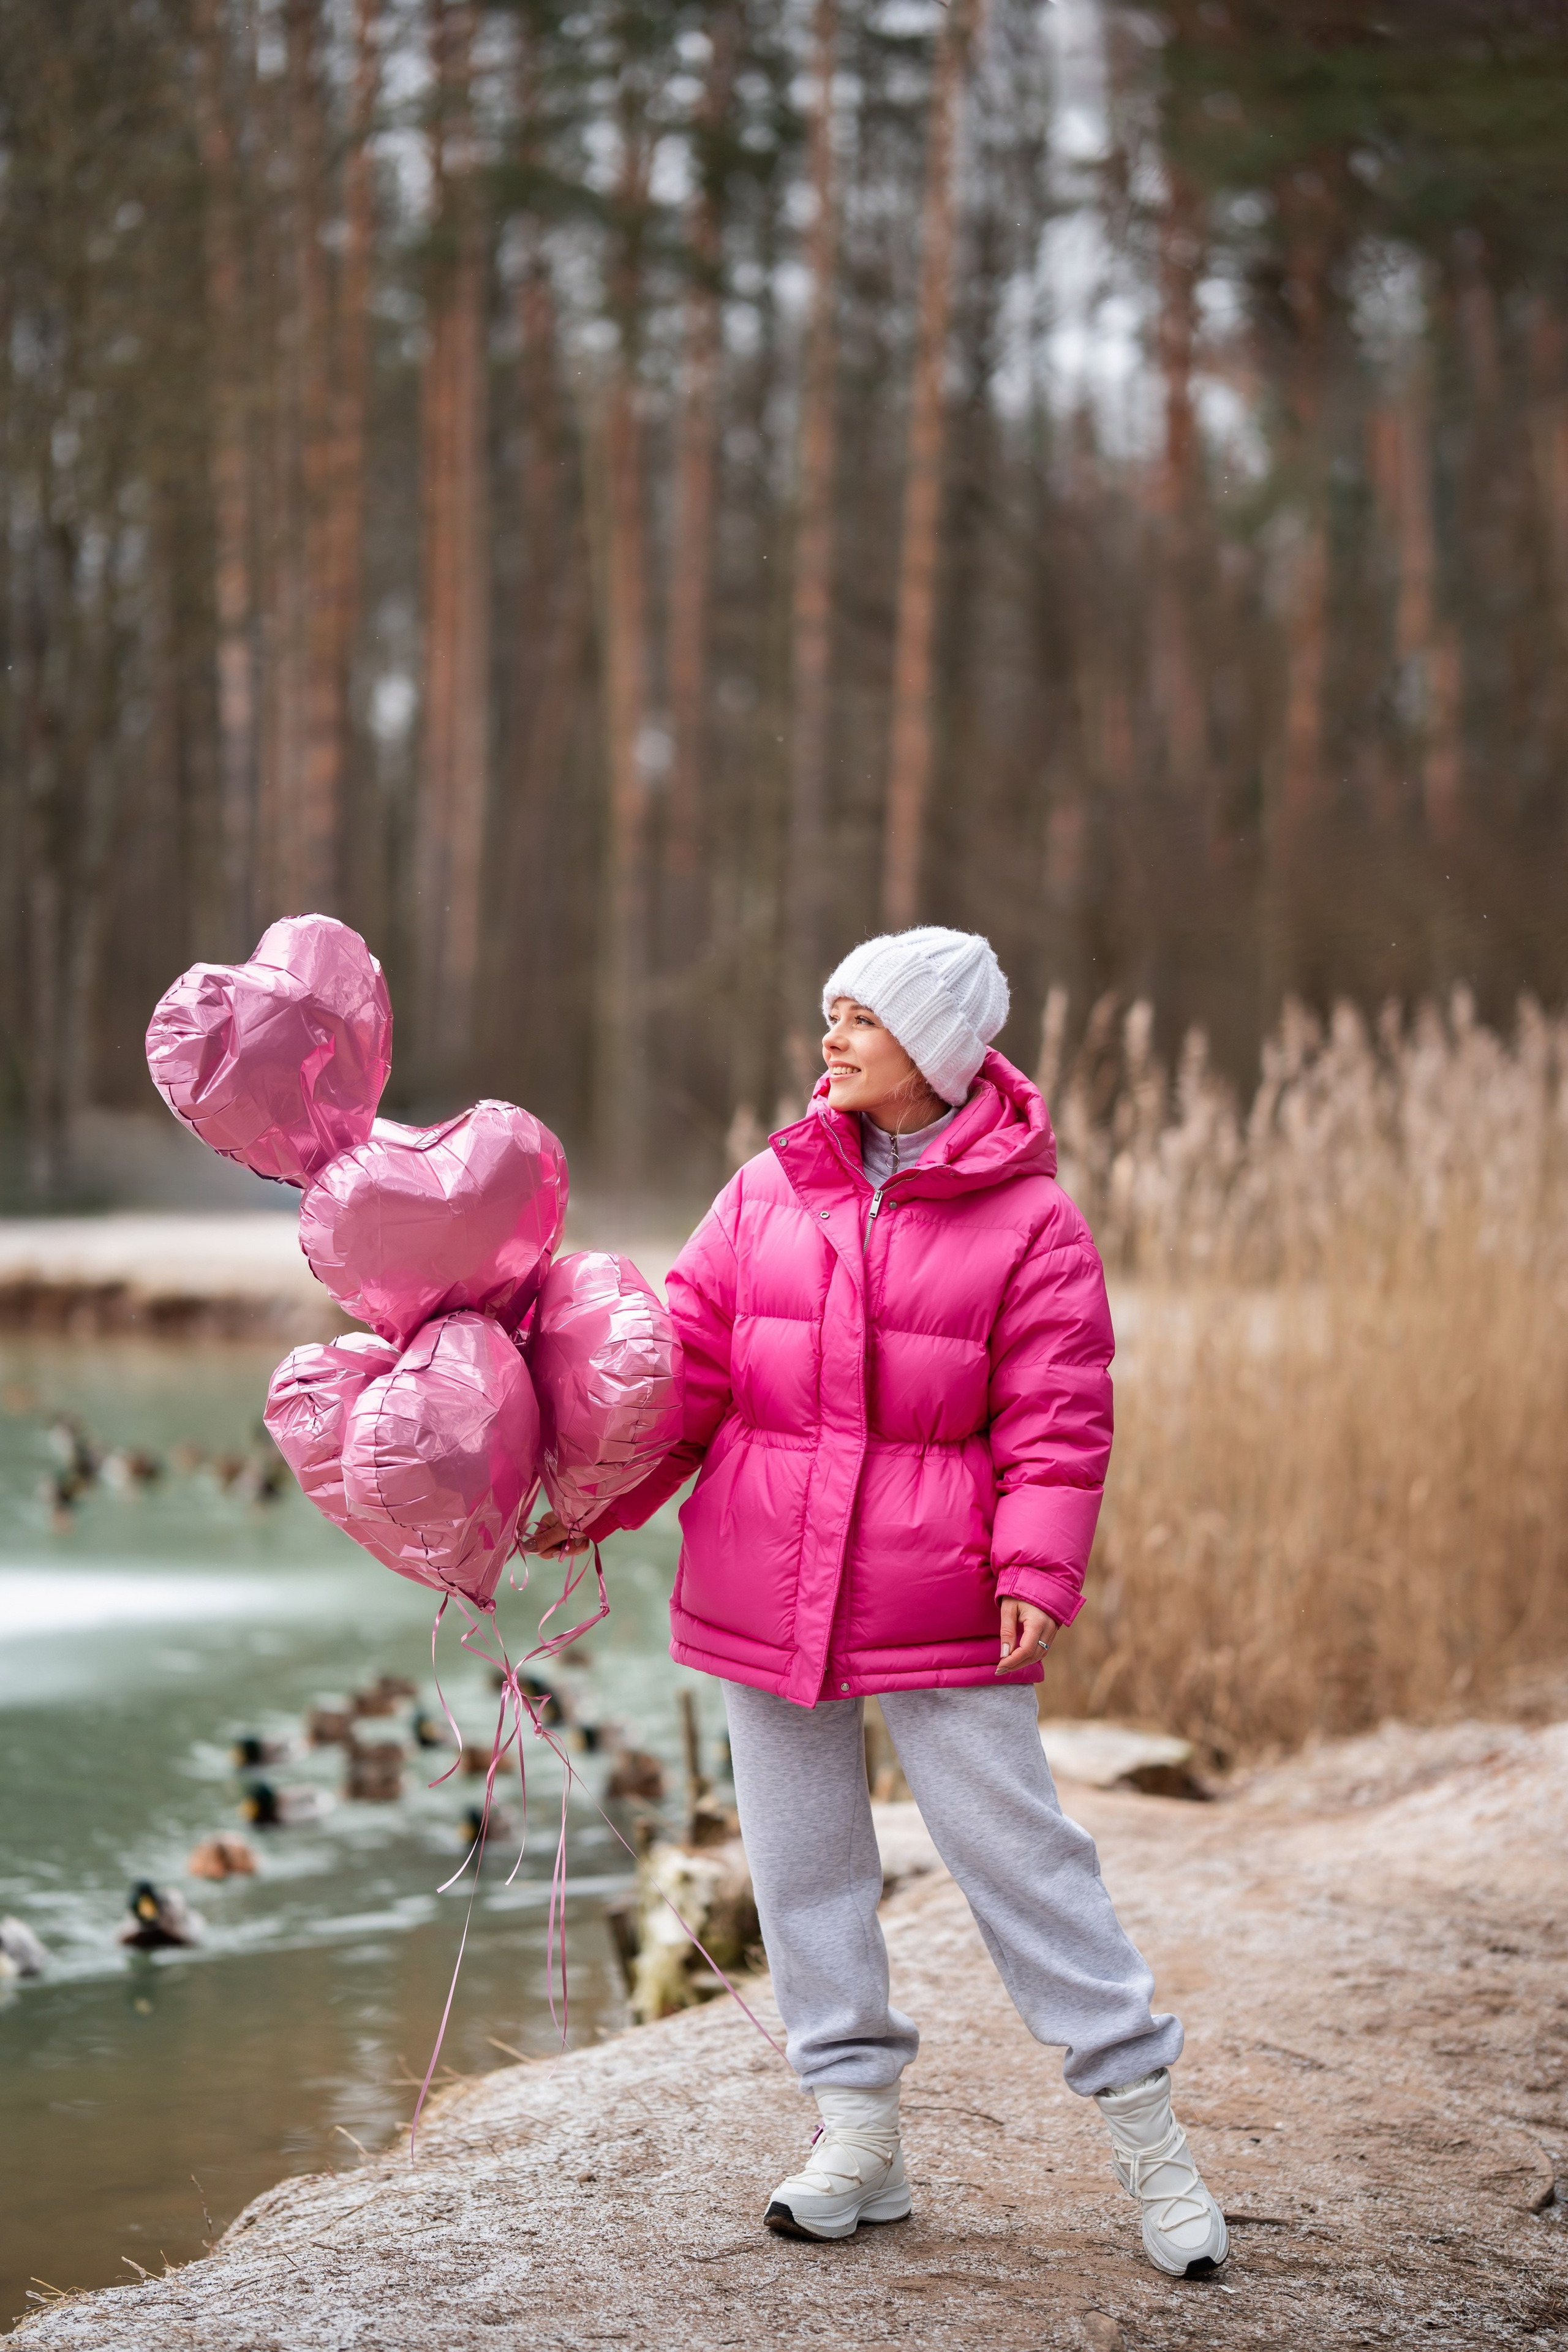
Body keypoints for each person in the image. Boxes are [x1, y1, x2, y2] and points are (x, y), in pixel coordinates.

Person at [530, 927, 1227, 2275]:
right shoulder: (762, 1192)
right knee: (802, 1869)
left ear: (938, 1054)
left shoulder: (1033, 1224)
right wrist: (585, 1506)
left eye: (859, 1019)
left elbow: (1058, 1417)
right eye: (829, 1014)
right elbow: (684, 1381)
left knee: (1018, 1857)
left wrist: (1033, 1566)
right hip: (763, 1575)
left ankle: (1149, 2139)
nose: (829, 1039)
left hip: (939, 1588)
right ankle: (856, 2133)